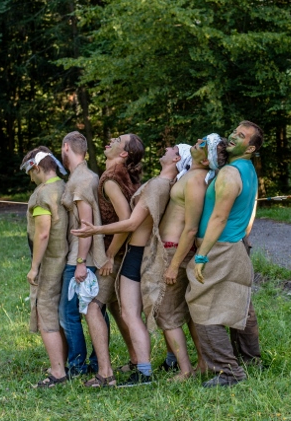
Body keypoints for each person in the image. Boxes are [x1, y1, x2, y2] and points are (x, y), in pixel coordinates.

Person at [72, 143, 208, 386]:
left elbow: (132, 223)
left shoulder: (158, 185)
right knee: (141, 313)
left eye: (173, 149)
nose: (167, 148)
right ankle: (161, 363)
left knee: (130, 313)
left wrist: (96, 230)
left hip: (136, 252)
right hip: (142, 252)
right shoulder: (168, 184)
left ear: (177, 159)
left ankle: (144, 371)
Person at [187, 121, 264, 388]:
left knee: (203, 308)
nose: (232, 136)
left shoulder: (230, 174)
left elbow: (219, 218)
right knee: (238, 302)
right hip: (235, 245)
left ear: (250, 148)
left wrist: (201, 256)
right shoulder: (247, 170)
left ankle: (228, 372)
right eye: (234, 132)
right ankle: (251, 360)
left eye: (241, 136)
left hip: (220, 247)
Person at [158, 133, 227, 381]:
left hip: (175, 250)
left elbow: (190, 228)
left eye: (202, 144)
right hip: (169, 249)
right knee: (185, 313)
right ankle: (203, 363)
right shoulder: (189, 175)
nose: (196, 143)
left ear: (206, 160)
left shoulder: (197, 181)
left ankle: (185, 370)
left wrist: (173, 265)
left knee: (166, 313)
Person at [80, 133, 144, 387]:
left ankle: (105, 374)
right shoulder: (124, 176)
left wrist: (109, 255)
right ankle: (136, 359)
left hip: (116, 254)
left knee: (93, 307)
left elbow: (126, 220)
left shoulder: (110, 179)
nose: (111, 140)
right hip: (126, 253)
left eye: (118, 140)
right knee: (116, 306)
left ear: (124, 153)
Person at [59, 131, 108, 380]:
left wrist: (80, 263)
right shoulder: (87, 176)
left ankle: (79, 366)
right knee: (94, 311)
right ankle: (97, 362)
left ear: (66, 147)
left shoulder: (81, 180)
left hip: (81, 258)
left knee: (70, 313)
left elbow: (86, 225)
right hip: (83, 256)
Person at [21, 147, 69, 388]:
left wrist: (34, 267)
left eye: (30, 173)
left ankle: (58, 373)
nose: (31, 179)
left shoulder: (42, 195)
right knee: (56, 315)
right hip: (64, 259)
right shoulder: (62, 186)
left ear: (37, 168)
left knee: (46, 315)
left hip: (49, 263)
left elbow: (42, 233)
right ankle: (62, 363)